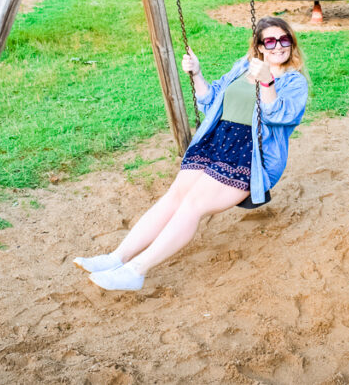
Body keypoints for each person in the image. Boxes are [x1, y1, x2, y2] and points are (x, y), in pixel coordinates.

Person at [75, 16, 309, 291]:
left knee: (192, 206)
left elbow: (279, 115)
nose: (278, 46)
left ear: (291, 43)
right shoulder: (242, 66)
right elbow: (210, 100)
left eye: (285, 40)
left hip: (249, 155)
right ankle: (116, 258)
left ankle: (136, 271)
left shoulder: (294, 82)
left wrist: (268, 82)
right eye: (270, 40)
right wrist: (197, 74)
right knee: (174, 197)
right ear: (258, 46)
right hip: (216, 141)